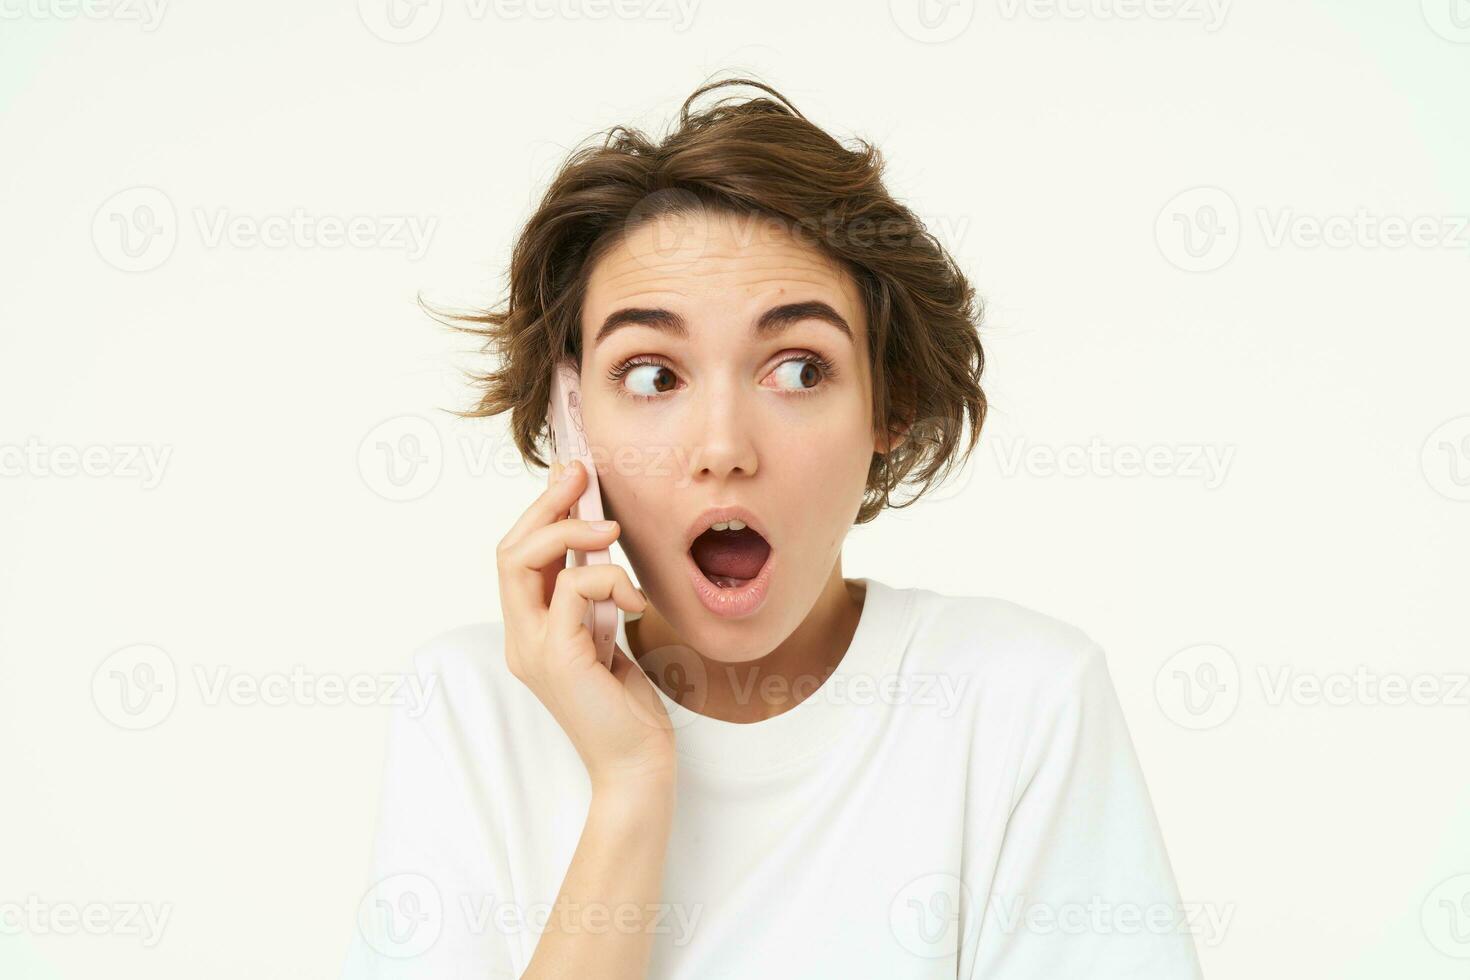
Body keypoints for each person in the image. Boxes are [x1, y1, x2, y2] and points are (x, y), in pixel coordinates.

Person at [340, 76, 1203, 979]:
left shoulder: (1024, 699)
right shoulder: (476, 706)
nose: (722, 449)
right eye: (650, 376)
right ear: (574, 420)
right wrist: (631, 788)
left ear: (890, 403)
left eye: (797, 370)